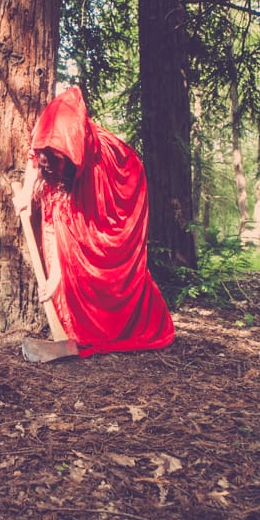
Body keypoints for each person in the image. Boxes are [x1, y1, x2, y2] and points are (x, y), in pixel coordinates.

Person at [13, 87, 175, 360]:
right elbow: (35, 159)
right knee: (61, 227)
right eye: (46, 159)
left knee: (93, 255)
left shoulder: (85, 167)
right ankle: (70, 324)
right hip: (76, 176)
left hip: (115, 187)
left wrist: (56, 278)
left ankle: (102, 326)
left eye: (55, 162)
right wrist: (27, 192)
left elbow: (72, 231)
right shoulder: (48, 133)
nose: (46, 165)